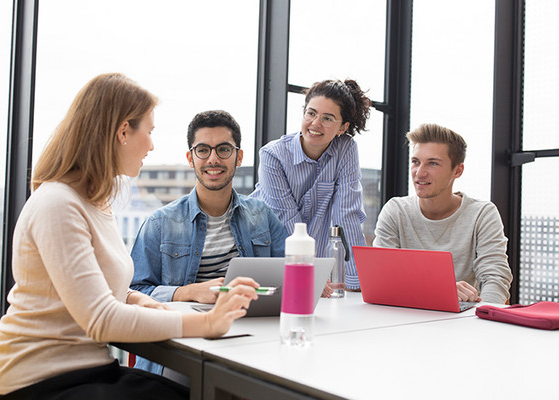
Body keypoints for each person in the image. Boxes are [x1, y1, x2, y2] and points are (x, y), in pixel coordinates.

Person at [0, 73, 259, 400]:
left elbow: (92, 288)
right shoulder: (58, 204)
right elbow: (100, 319)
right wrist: (208, 323)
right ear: (123, 131)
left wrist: (136, 298)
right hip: (35, 383)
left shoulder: (94, 202)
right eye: (150, 131)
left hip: (86, 372)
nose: (152, 144)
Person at [129, 110, 287, 374]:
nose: (213, 159)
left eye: (224, 149)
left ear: (239, 157)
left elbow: (287, 277)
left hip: (254, 340)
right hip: (183, 345)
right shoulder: (160, 223)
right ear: (191, 158)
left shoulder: (262, 215)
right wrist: (187, 292)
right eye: (203, 150)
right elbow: (133, 292)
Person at [250, 79, 371, 294]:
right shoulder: (273, 155)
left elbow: (347, 214)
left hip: (308, 265)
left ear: (342, 127)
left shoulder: (346, 150)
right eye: (311, 113)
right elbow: (287, 220)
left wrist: (358, 284)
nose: (315, 123)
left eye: (327, 118)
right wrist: (309, 273)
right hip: (264, 253)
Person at [373, 123, 512, 304]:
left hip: (463, 322)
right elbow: (382, 278)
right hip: (406, 316)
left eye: (432, 163)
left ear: (458, 170)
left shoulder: (482, 214)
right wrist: (441, 290)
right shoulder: (395, 210)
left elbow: (495, 277)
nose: (419, 173)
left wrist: (484, 319)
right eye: (415, 162)